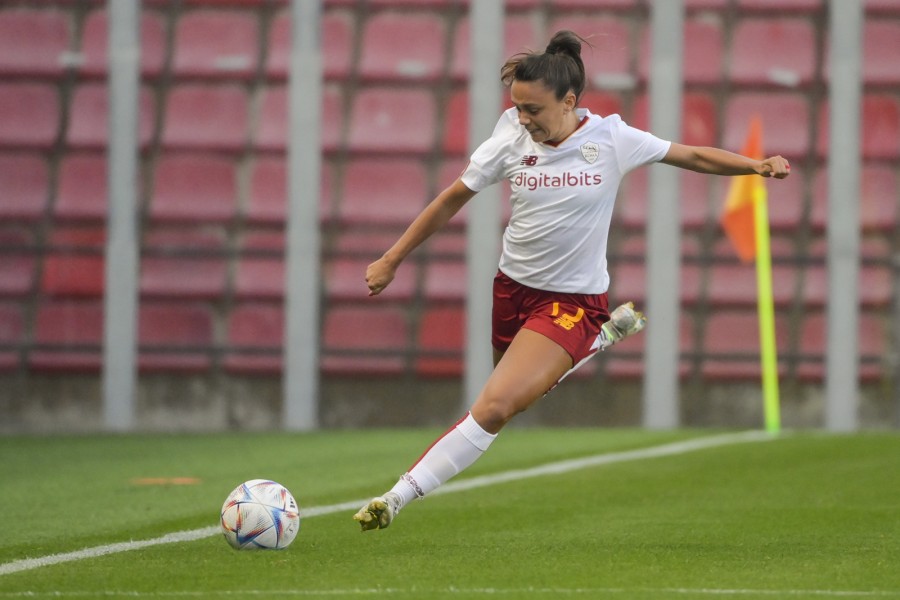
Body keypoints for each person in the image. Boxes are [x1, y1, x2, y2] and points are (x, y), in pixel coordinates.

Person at [353, 30, 790, 531]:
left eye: (533, 109)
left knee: (494, 407)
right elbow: (452, 198)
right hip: (511, 291)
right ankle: (597, 342)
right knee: (513, 397)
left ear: (569, 101)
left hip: (571, 301)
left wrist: (754, 166)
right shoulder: (509, 143)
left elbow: (689, 155)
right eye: (516, 107)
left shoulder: (611, 138)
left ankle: (395, 497)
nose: (522, 118)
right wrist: (392, 258)